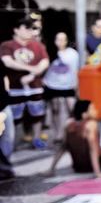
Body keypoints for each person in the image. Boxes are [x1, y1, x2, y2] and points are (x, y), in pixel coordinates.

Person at [0, 18, 49, 149]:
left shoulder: (37, 45)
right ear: (16, 30)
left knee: (37, 114)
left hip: (35, 87)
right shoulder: (7, 45)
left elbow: (45, 62)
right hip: (15, 87)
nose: (29, 31)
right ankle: (12, 143)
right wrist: (32, 69)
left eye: (30, 28)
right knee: (14, 117)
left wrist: (32, 75)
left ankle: (36, 139)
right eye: (26, 28)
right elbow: (7, 62)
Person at [44, 100, 101, 178]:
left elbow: (63, 147)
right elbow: (93, 149)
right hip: (92, 166)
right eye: (92, 109)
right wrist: (97, 172)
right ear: (84, 114)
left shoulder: (69, 125)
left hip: (78, 168)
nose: (95, 111)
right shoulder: (91, 125)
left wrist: (52, 168)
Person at [43, 32, 79, 146]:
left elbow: (76, 69)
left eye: (63, 39)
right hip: (52, 85)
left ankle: (71, 134)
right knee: (55, 110)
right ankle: (58, 134)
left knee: (71, 109)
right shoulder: (49, 52)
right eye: (58, 39)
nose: (60, 42)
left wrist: (76, 85)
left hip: (68, 86)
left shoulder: (73, 54)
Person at [0, 59, 14, 179]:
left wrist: (7, 92)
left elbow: (4, 76)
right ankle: (4, 168)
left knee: (8, 138)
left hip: (3, 105)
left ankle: (5, 167)